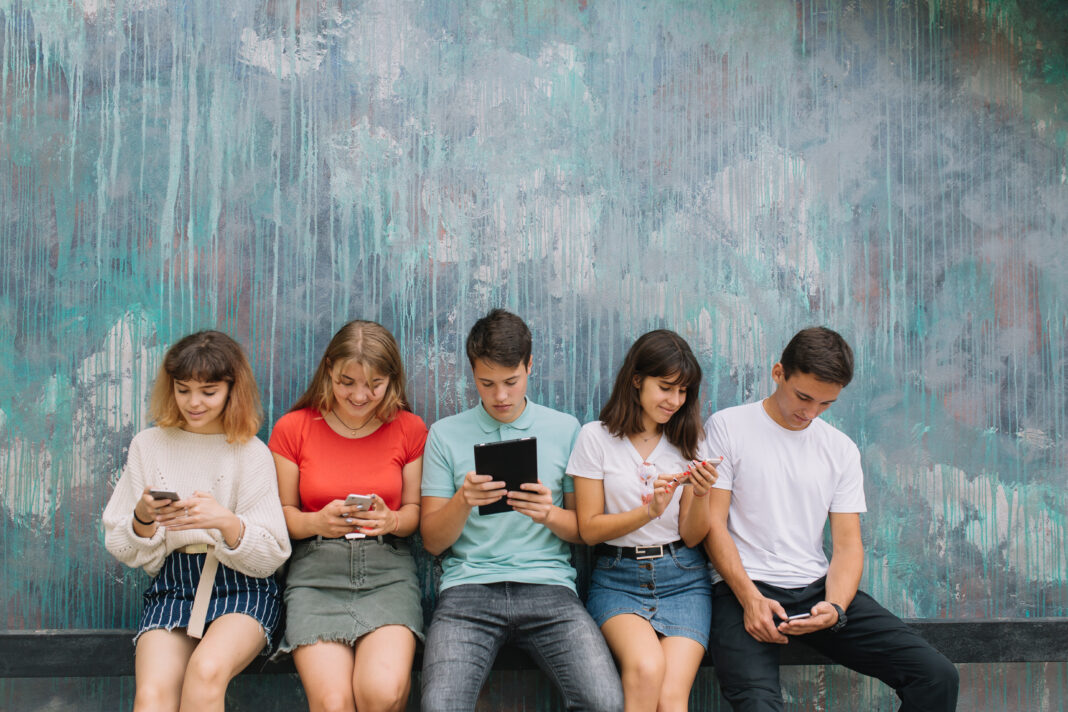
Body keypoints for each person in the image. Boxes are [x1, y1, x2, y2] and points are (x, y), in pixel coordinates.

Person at [703, 326, 959, 711]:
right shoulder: (728, 426)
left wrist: (835, 607)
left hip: (816, 591)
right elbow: (712, 526)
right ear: (778, 373)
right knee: (759, 705)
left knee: (936, 675)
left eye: (825, 404)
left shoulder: (839, 449)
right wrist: (750, 598)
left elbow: (847, 545)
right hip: (743, 590)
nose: (810, 412)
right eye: (803, 397)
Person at [419, 308, 623, 711]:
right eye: (486, 383)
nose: (500, 396)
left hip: (549, 588)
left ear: (531, 366)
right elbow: (431, 541)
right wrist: (463, 502)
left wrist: (549, 513)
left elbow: (585, 530)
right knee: (440, 706)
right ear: (471, 373)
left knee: (604, 702)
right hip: (468, 592)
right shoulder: (444, 434)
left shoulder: (565, 429)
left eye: (511, 382)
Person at [102, 330, 291, 712]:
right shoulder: (148, 445)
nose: (194, 402)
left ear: (231, 389)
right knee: (152, 696)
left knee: (205, 672)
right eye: (183, 389)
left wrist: (225, 522)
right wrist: (144, 518)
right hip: (174, 583)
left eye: (208, 391)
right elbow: (121, 547)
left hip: (243, 586)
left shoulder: (251, 452)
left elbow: (272, 555)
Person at [269, 320, 426, 712]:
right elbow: (281, 514)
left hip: (387, 573)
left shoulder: (409, 429)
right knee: (334, 703)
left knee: (382, 693)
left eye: (374, 384)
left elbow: (414, 513)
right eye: (347, 381)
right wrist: (315, 523)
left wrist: (391, 521)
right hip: (316, 575)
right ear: (328, 369)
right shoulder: (294, 428)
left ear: (392, 379)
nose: (359, 395)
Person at [569, 329, 718, 712]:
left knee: (671, 698)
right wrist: (648, 512)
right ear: (637, 380)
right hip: (618, 576)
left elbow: (692, 534)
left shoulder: (690, 440)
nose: (675, 401)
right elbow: (589, 529)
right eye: (666, 387)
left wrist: (700, 493)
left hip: (683, 577)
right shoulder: (595, 438)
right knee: (646, 668)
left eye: (683, 391)